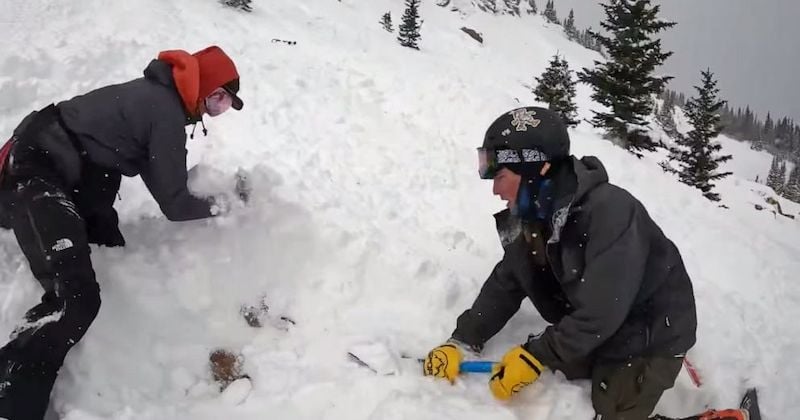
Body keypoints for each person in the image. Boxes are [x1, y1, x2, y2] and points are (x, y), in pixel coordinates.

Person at [0, 45, 244, 420]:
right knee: (76, 298)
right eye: (217, 98)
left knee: (108, 250)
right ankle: (10, 400)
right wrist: (227, 203)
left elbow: (162, 182)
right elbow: (176, 204)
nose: (217, 109)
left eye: (225, 105)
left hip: (65, 169)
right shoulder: (163, 110)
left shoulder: (159, 100)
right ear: (201, 86)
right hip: (37, 170)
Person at [422, 106, 706, 419]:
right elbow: (508, 281)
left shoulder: (611, 211)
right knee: (556, 372)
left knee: (611, 406)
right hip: (598, 322)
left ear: (537, 171)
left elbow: (601, 312)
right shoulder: (533, 216)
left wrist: (537, 355)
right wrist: (463, 339)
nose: (494, 189)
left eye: (500, 176)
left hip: (649, 333)